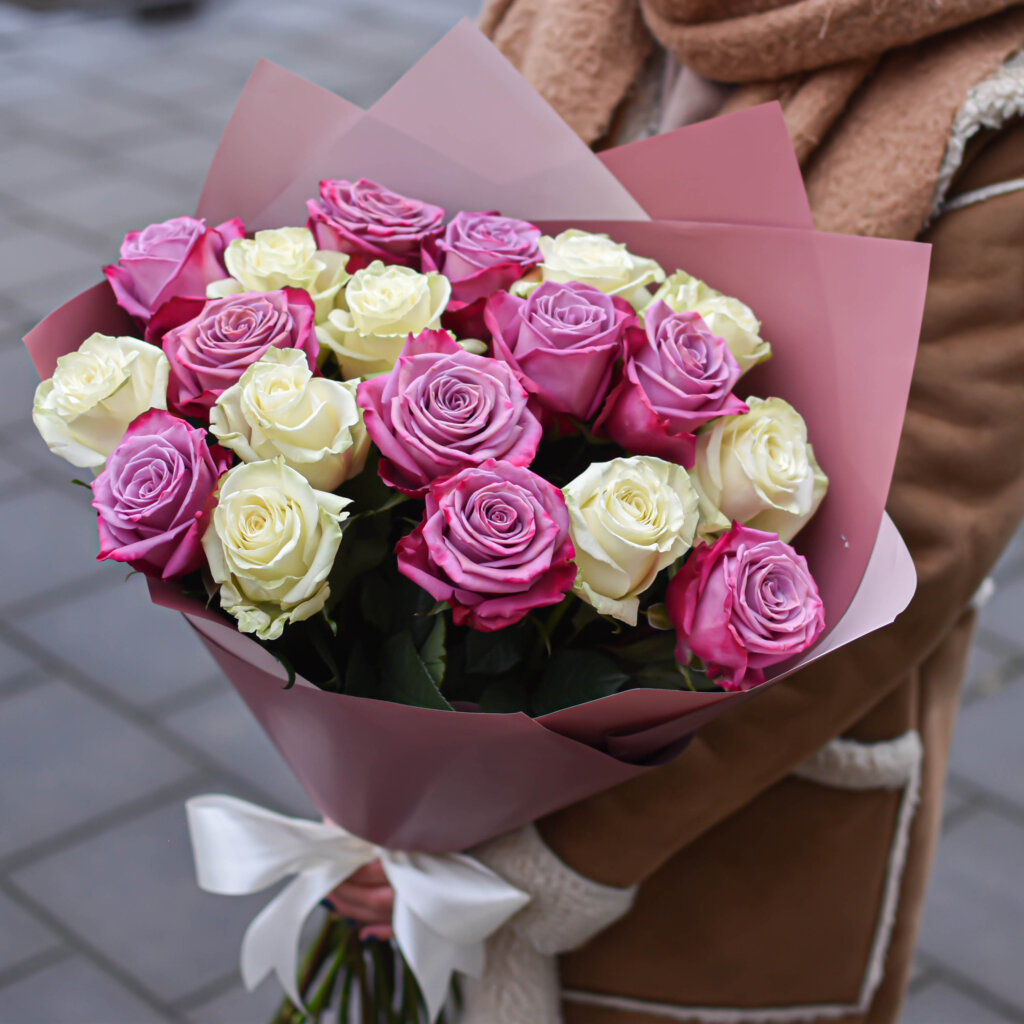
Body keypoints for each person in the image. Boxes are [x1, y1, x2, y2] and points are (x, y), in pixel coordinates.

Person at [331, 2, 1024, 1020]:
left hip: (719, 810)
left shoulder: (990, 102)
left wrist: (545, 858)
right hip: (428, 750)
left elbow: (911, 540)